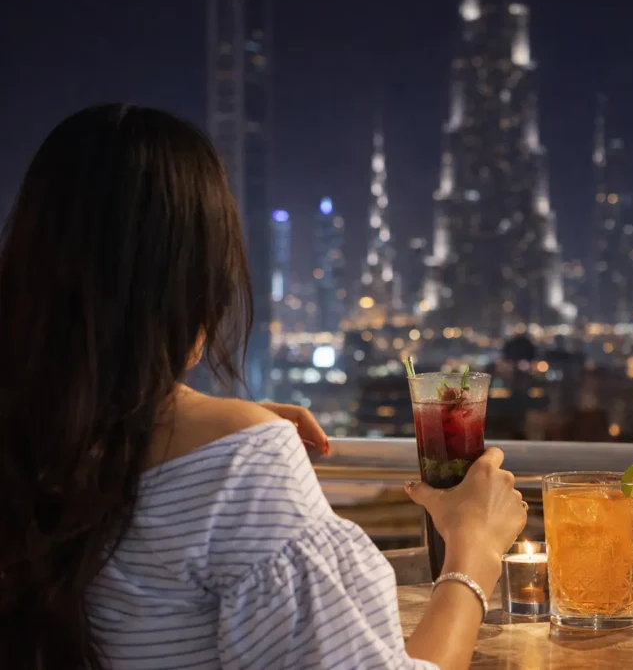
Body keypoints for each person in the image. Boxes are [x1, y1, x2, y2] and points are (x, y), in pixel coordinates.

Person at [0, 104, 527, 669]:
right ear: (195, 282)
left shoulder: (35, 447)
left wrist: (213, 437)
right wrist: (474, 548)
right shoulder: (239, 468)